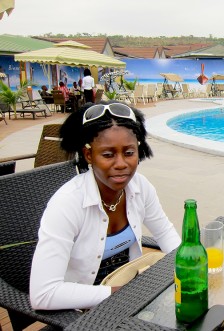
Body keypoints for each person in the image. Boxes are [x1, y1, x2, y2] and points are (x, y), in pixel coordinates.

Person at [29, 101, 181, 310]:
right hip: (80, 309)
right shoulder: (68, 203)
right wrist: (121, 294)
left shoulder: (140, 187)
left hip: (130, 297)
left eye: (129, 152)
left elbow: (164, 232)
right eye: (108, 155)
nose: (121, 163)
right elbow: (43, 294)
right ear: (88, 154)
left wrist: (189, 267)